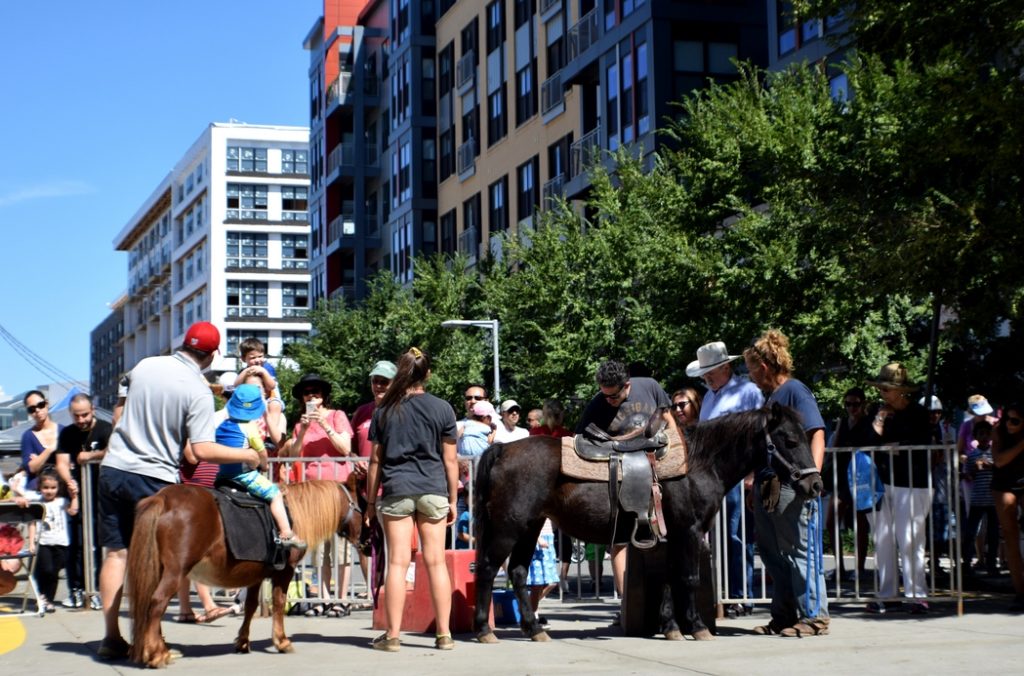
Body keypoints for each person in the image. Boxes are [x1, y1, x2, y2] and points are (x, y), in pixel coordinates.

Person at [96, 321, 262, 661]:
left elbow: (119, 411)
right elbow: (201, 450)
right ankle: (150, 639)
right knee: (155, 562)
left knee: (116, 555)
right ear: (212, 355)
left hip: (113, 467)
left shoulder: (145, 365)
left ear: (184, 343)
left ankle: (112, 637)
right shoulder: (198, 390)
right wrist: (247, 454)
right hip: (153, 475)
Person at [364, 347, 459, 652]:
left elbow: (375, 462)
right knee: (435, 561)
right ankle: (444, 635)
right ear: (427, 374)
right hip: (433, 489)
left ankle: (392, 636)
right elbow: (450, 461)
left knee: (397, 562)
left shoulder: (384, 411)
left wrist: (370, 503)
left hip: (397, 488)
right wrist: (453, 499)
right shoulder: (443, 408)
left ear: (401, 372)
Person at [744, 330, 829, 637]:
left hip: (793, 486)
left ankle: (814, 617)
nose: (750, 376)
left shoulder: (795, 391)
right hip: (769, 486)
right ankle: (783, 616)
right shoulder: (771, 398)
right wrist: (754, 483)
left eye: (751, 370)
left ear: (764, 367)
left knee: (799, 551)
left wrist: (813, 478)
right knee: (773, 554)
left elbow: (816, 433)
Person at [576, 360, 679, 600]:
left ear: (627, 386)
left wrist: (676, 448)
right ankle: (627, 604)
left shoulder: (650, 386)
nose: (608, 400)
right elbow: (580, 436)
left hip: (654, 463)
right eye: (605, 395)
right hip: (620, 473)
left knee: (661, 535)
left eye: (613, 396)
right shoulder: (598, 402)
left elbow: (667, 418)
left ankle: (662, 598)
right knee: (620, 539)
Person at [687, 341, 763, 617]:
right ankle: (722, 595)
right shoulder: (709, 397)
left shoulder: (748, 392)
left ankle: (741, 596)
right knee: (718, 539)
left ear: (726, 368)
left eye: (711, 371)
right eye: (704, 373)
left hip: (737, 477)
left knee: (737, 535)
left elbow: (758, 434)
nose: (707, 377)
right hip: (712, 480)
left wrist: (752, 474)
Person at [863, 362, 934, 615]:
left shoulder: (919, 413)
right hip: (883, 483)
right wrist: (880, 418)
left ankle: (917, 596)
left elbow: (922, 443)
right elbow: (869, 442)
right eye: (880, 388)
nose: (882, 392)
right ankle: (888, 594)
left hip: (913, 484)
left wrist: (893, 447)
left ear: (901, 390)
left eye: (887, 388)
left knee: (910, 540)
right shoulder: (877, 411)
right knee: (882, 540)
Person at [280, 372, 353, 613]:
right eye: (307, 392)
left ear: (324, 396)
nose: (312, 396)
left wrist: (324, 424)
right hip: (313, 493)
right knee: (319, 548)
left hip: (337, 490)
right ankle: (323, 598)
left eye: (316, 392)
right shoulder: (299, 424)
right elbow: (293, 456)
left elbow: (345, 448)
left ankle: (342, 599)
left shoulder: (337, 416)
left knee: (340, 548)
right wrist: (302, 430)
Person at [217, 384, 303, 548]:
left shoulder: (222, 425)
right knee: (275, 494)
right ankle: (286, 533)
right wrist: (264, 466)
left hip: (222, 475)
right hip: (244, 475)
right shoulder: (250, 427)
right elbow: (262, 452)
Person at [54, 393, 111, 610]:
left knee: (97, 545)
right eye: (76, 416)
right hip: (77, 496)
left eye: (85, 415)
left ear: (93, 410)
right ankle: (76, 589)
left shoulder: (105, 429)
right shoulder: (68, 433)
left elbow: (113, 451)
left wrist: (91, 456)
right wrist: (70, 483)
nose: (81, 420)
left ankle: (96, 589)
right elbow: (61, 462)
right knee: (76, 545)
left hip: (101, 496)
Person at [350, 360, 397, 596]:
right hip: (364, 489)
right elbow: (349, 449)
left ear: (394, 383)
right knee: (365, 542)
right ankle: (372, 593)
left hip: (392, 487)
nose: (378, 385)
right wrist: (355, 461)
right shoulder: (362, 412)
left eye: (384, 381)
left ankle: (391, 592)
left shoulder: (401, 410)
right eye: (375, 381)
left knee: (393, 543)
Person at [825, 387, 874, 582]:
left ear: (863, 404)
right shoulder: (842, 422)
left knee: (860, 524)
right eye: (848, 404)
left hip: (861, 477)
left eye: (856, 404)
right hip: (842, 476)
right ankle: (840, 568)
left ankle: (860, 568)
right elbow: (835, 448)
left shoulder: (869, 422)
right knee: (831, 522)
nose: (852, 408)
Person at [28, 468, 78, 613]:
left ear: (58, 488)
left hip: (60, 542)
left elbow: (73, 511)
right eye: (46, 487)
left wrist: (74, 496)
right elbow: (32, 523)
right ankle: (42, 596)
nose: (49, 491)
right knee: (46, 569)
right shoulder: (37, 503)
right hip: (43, 542)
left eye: (53, 488)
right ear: (40, 487)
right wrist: (31, 542)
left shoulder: (62, 501)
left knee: (54, 573)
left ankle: (48, 599)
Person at [992, 402, 1024, 610]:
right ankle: (1020, 592)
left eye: (1015, 421)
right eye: (1007, 419)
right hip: (1004, 482)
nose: (1009, 424)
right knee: (1010, 536)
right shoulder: (998, 431)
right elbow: (999, 460)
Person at [233, 337, 285, 447]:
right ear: (244, 359)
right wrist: (246, 372)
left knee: (275, 405)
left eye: (260, 356)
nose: (257, 360)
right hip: (252, 402)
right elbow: (236, 385)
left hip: (270, 399)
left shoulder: (267, 368)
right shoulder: (244, 371)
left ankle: (270, 435)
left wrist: (263, 372)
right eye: (252, 358)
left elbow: (271, 386)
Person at [962, 421, 999, 575]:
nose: (984, 437)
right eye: (981, 434)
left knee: (993, 533)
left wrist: (991, 466)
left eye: (987, 433)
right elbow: (968, 477)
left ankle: (992, 564)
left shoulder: (996, 453)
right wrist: (975, 470)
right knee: (971, 532)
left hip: (993, 500)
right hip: (977, 499)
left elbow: (1001, 471)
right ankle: (966, 563)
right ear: (975, 436)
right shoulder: (972, 456)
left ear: (991, 435)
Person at [20, 390, 62, 491]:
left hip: (61, 491)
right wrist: (51, 449)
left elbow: (70, 464)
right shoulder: (28, 436)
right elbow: (32, 468)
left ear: (46, 404)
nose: (37, 410)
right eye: (32, 409)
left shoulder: (64, 431)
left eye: (40, 405)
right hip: (36, 492)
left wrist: (40, 460)